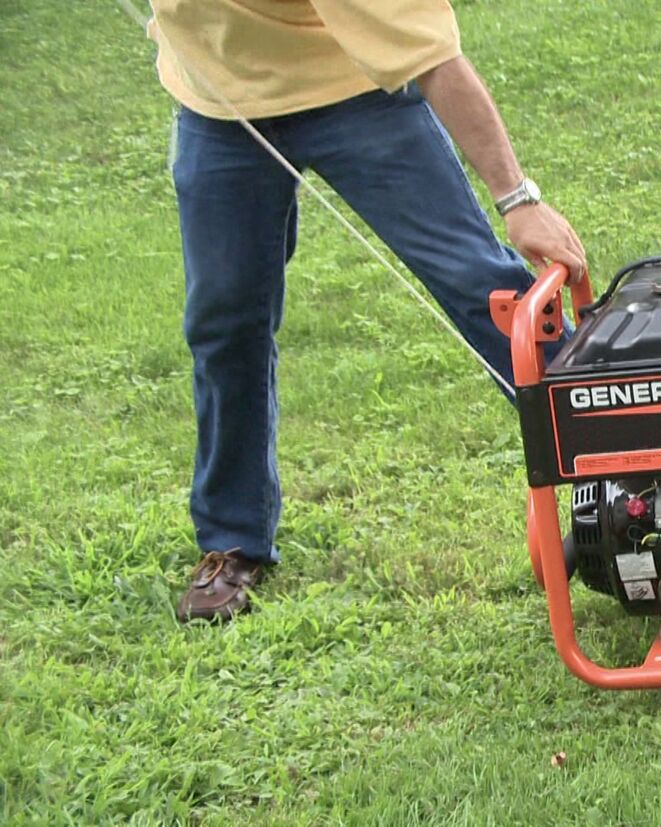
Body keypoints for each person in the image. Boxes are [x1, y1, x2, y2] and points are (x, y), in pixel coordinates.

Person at [148, 0, 588, 622]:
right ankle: (232, 540)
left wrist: (517, 199)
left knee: (478, 285)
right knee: (224, 325)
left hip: (355, 93)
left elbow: (433, 55)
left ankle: (632, 460)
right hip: (218, 109)